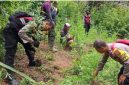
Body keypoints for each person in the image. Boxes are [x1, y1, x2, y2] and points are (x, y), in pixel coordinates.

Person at [3, 11, 54, 85]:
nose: (47, 31)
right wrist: (33, 41)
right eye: (48, 28)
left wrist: (33, 41)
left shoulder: (38, 24)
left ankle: (32, 62)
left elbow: (27, 34)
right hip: (11, 31)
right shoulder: (34, 23)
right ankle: (9, 76)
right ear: (46, 23)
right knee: (10, 52)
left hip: (18, 30)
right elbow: (21, 33)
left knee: (29, 46)